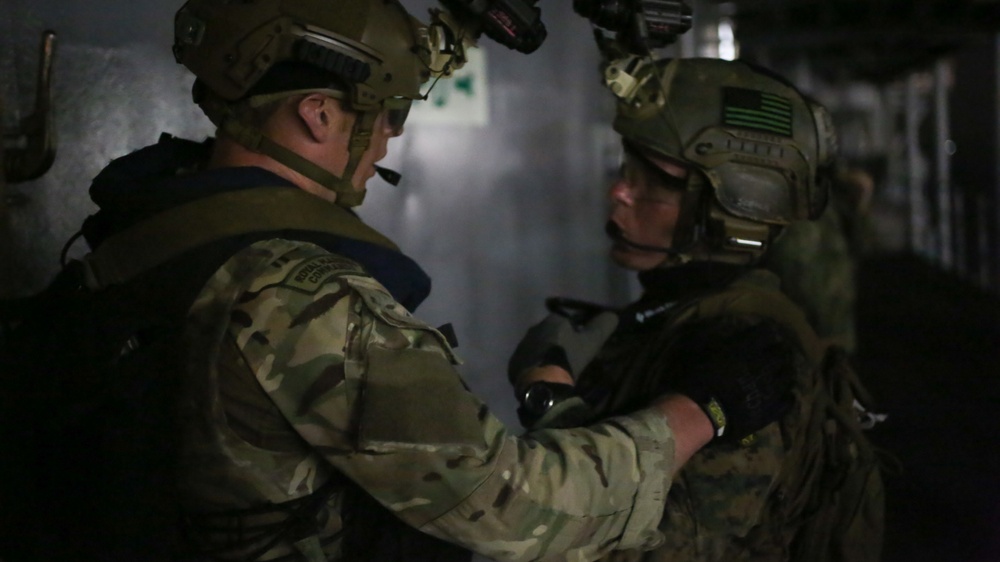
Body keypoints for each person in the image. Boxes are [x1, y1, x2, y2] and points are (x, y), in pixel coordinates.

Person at [1, 3, 798, 562]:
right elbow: (516, 509)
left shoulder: (150, 225)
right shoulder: (307, 300)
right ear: (317, 115)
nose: (392, 133)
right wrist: (704, 411)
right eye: (385, 112)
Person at [508, 57, 884, 561]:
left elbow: (645, 549)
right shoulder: (681, 317)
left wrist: (550, 398)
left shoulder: (745, 358)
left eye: (657, 181)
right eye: (627, 169)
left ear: (733, 207)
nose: (620, 191)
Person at [762, 162, 877, 354]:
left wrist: (861, 205)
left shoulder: (834, 202)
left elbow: (864, 246)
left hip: (821, 320)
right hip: (787, 305)